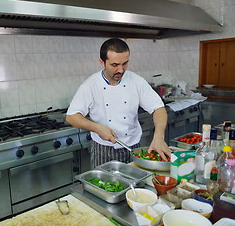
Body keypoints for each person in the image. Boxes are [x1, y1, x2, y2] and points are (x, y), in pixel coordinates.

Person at [65, 38, 171, 167]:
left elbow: (158, 108)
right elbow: (71, 116)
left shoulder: (136, 81)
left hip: (133, 148)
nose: (121, 70)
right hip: (103, 150)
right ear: (102, 62)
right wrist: (97, 128)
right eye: (115, 65)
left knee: (135, 185)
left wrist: (159, 137)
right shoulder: (91, 85)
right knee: (104, 186)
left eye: (125, 63)